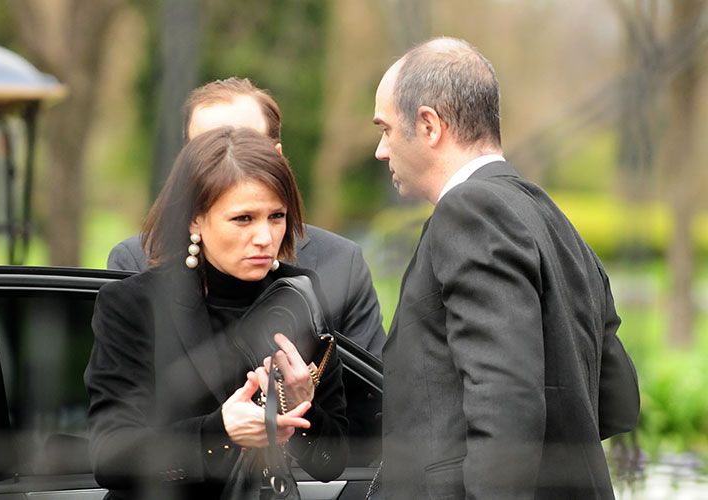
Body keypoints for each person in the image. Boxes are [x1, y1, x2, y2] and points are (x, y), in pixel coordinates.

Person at [371, 37, 640, 499]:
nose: (380, 150)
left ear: (429, 125)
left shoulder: (470, 211)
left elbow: (506, 397)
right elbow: (617, 400)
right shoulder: (551, 219)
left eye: (386, 129)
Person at [85, 127, 348, 499]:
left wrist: (299, 403)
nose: (264, 237)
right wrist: (219, 432)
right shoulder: (135, 304)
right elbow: (109, 456)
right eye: (243, 219)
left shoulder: (298, 295)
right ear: (195, 219)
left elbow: (330, 463)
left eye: (276, 216)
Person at [108, 78, 385, 357]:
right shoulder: (137, 260)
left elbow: (368, 394)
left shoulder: (339, 263)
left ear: (277, 159)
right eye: (206, 152)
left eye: (246, 145)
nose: (228, 158)